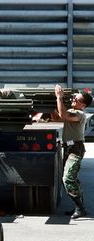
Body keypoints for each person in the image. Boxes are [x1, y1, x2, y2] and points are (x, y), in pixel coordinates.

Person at [51, 84, 93, 219]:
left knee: (68, 178)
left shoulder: (80, 114)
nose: (74, 100)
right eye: (75, 98)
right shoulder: (71, 110)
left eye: (78, 100)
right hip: (69, 148)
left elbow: (63, 114)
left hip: (76, 149)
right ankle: (79, 207)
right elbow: (57, 118)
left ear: (83, 105)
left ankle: (81, 209)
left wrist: (59, 97)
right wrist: (51, 106)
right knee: (69, 180)